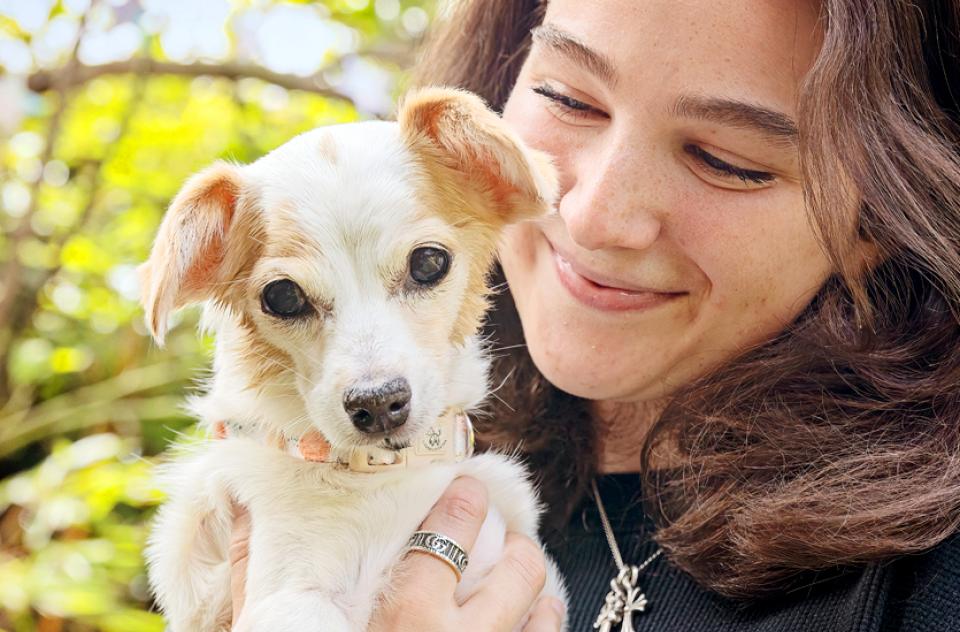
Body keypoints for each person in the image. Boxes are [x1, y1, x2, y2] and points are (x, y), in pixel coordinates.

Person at [228, 1, 960, 630]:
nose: (590, 216)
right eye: (567, 99)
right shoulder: (322, 488)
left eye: (725, 159)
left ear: (878, 222)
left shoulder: (928, 585)